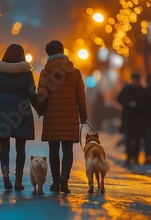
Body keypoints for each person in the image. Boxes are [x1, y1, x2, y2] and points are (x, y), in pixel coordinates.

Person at [36, 40, 87, 193]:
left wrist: (40, 110)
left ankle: (56, 182)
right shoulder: (75, 72)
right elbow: (81, 96)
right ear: (63, 51)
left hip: (52, 116)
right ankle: (65, 177)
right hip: (70, 116)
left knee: (53, 150)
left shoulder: (46, 72)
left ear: (48, 54)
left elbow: (41, 95)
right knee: (67, 149)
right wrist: (83, 116)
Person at [0, 44, 37, 190]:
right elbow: (32, 93)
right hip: (21, 109)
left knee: (4, 146)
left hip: (2, 109)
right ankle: (18, 181)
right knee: (21, 147)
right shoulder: (26, 73)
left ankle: (5, 176)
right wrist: (39, 108)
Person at [116, 73, 150, 166]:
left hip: (139, 120)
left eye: (137, 80)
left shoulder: (142, 91)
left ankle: (136, 158)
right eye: (134, 80)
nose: (135, 82)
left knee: (138, 140)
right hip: (128, 119)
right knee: (128, 139)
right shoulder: (126, 90)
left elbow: (147, 104)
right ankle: (128, 158)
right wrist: (128, 104)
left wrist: (137, 105)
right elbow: (119, 99)